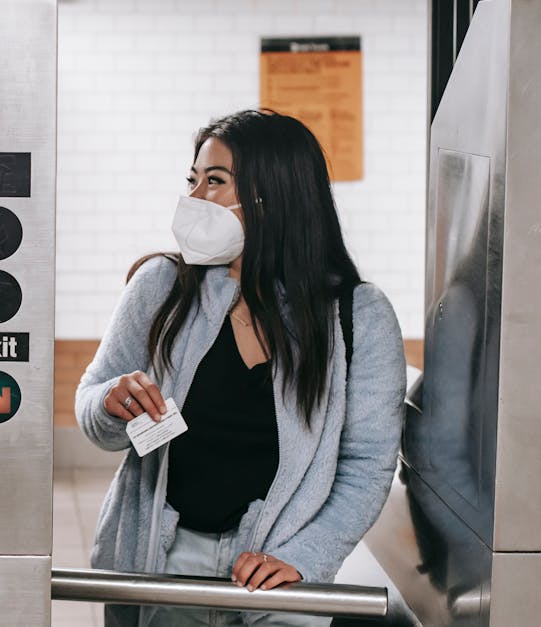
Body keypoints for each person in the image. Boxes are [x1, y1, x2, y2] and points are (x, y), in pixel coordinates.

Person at [75, 110, 405, 627]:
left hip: (276, 570)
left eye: (215, 181)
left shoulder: (357, 316)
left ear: (272, 196)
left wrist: (305, 557)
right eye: (193, 180)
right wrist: (110, 403)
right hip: (160, 564)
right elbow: (94, 403)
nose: (194, 198)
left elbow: (366, 466)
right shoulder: (161, 287)